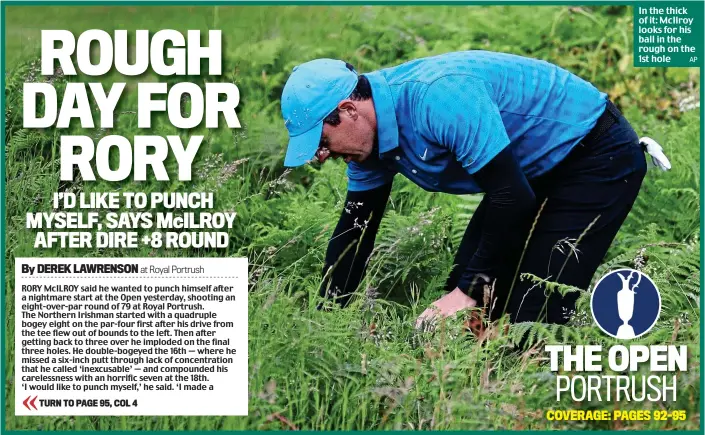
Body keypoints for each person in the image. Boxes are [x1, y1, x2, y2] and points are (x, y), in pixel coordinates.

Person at [279, 51, 669, 328]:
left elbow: (511, 200)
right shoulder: (368, 147)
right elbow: (354, 233)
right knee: (462, 311)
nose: (321, 156)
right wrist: (323, 323)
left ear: (348, 110)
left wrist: (468, 292)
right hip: (525, 173)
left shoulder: (438, 97)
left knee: (531, 316)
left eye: (323, 140)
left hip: (594, 155)